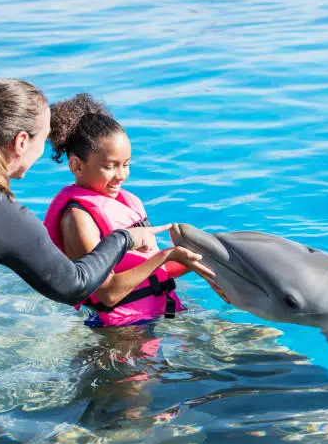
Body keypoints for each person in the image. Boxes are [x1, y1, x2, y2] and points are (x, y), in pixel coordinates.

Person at [0, 79, 206, 312]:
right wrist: (125, 238)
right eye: (43, 139)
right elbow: (75, 286)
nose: (43, 150)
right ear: (22, 142)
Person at [44, 94, 213, 327]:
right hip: (121, 336)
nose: (121, 175)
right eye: (109, 166)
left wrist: (200, 261)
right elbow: (107, 293)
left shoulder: (125, 202)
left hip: (160, 314)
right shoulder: (78, 218)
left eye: (126, 164)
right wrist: (166, 254)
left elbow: (153, 274)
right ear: (77, 165)